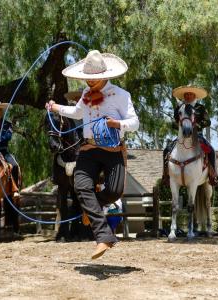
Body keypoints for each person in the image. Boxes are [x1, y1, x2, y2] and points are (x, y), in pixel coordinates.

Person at [46, 50, 139, 259]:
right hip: (88, 149)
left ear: (105, 75)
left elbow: (135, 123)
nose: (89, 83)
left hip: (113, 149)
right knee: (80, 185)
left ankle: (92, 209)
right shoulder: (85, 96)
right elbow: (77, 113)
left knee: (114, 192)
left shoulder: (121, 96)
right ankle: (104, 237)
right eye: (87, 79)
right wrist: (55, 108)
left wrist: (117, 123)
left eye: (93, 79)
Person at [163, 86, 218, 186]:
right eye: (186, 94)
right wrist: (181, 125)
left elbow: (207, 122)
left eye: (190, 94)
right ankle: (165, 176)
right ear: (184, 96)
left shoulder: (200, 108)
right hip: (182, 136)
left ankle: (213, 176)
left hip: (198, 136)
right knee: (166, 150)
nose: (188, 96)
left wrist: (196, 126)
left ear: (194, 96)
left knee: (211, 150)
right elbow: (174, 122)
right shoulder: (179, 108)